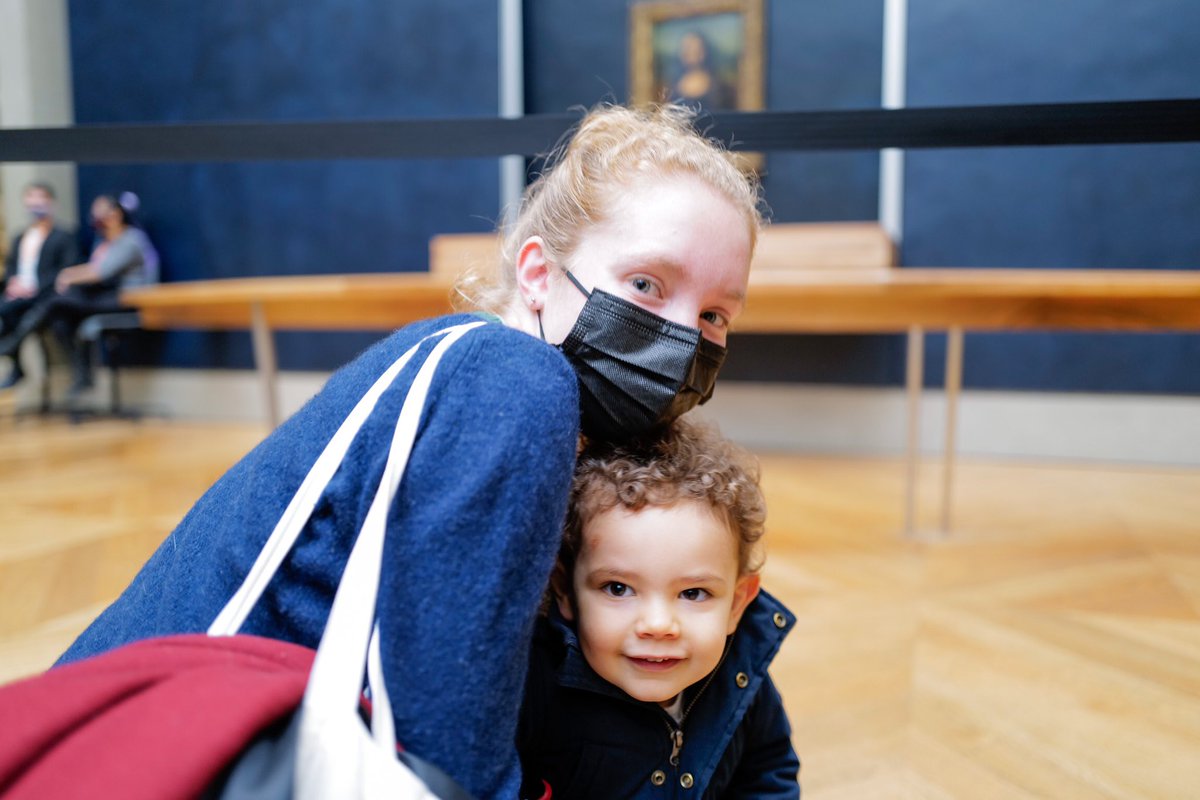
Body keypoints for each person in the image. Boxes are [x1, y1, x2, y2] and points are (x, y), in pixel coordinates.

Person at [56, 103, 763, 799]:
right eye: (646, 284)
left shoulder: (465, 362)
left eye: (713, 315)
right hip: (156, 760)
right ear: (540, 274)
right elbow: (444, 755)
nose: (681, 335)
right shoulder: (514, 381)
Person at [518, 419, 800, 798]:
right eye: (618, 588)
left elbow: (766, 771)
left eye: (694, 593)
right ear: (565, 591)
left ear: (736, 604)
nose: (658, 625)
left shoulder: (742, 678)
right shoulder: (536, 689)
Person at [0, 192, 158, 399]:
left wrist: (67, 275)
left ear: (116, 214)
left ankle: (14, 342)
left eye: (101, 212)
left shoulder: (130, 239)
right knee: (60, 318)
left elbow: (101, 272)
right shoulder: (104, 241)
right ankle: (82, 376)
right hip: (106, 296)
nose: (96, 217)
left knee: (57, 302)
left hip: (127, 299)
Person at [0, 182, 79, 389]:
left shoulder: (64, 235)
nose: (36, 203)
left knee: (52, 320)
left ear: (51, 202)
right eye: (31, 198)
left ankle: (9, 347)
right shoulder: (20, 237)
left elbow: (67, 269)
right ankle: (16, 365)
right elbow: (11, 267)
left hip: (47, 295)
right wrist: (13, 283)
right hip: (19, 295)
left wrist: (35, 288)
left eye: (41, 198)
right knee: (6, 310)